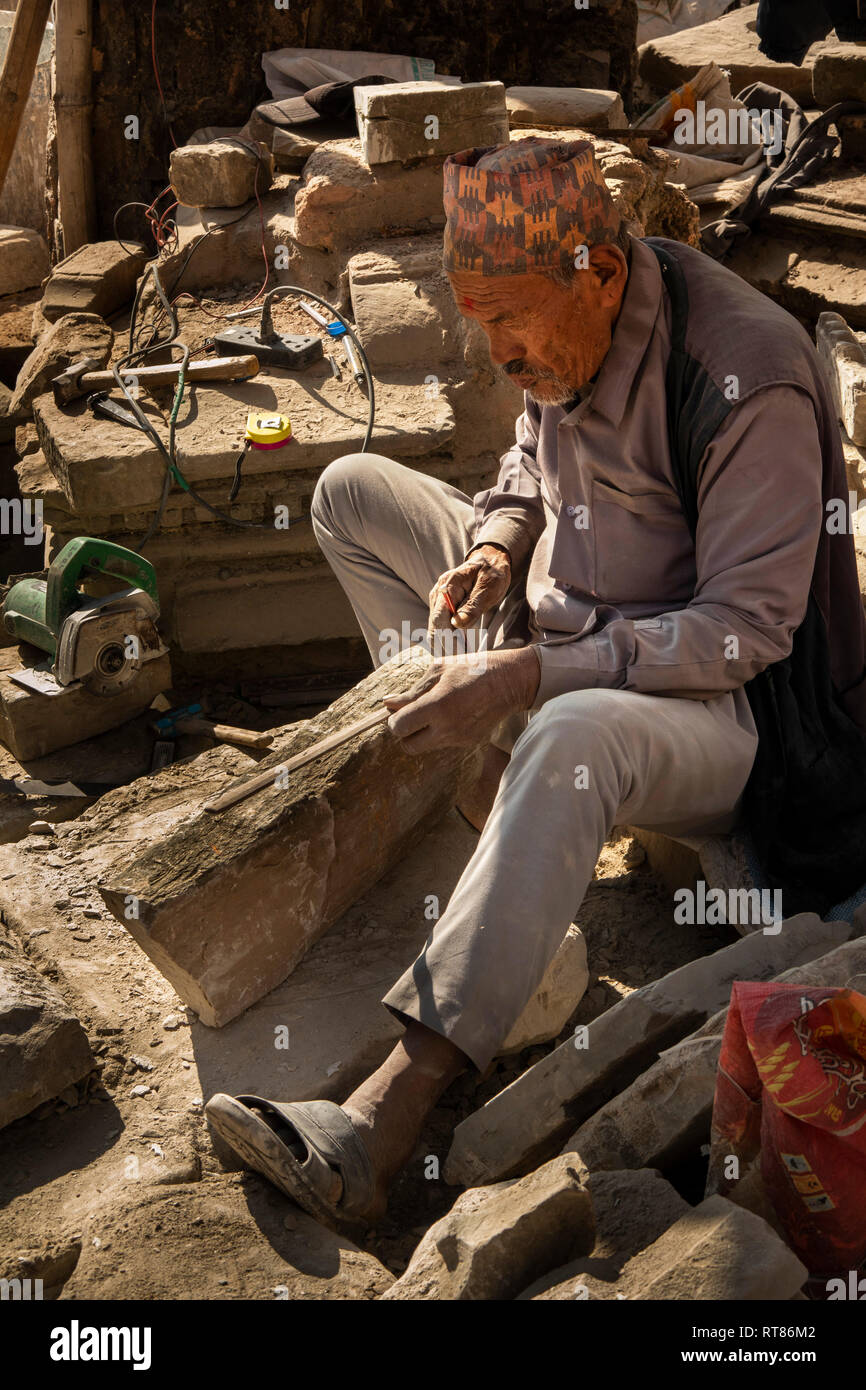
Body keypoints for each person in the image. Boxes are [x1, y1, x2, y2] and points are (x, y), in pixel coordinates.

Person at [205, 137, 866, 1226]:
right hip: (556, 624)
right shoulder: (557, 330)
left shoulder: (747, 373)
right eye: (476, 317)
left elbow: (743, 634)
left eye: (508, 316)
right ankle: (487, 843)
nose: (495, 345)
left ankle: (381, 1122)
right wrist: (498, 547)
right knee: (350, 493)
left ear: (599, 274)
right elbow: (525, 452)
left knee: (567, 741)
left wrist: (531, 675)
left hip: (714, 713)